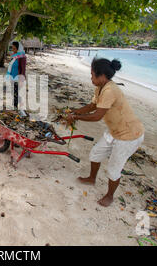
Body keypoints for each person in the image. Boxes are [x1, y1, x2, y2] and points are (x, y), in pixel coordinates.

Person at [65, 58, 144, 207]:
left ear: (101, 76)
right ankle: (91, 178)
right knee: (95, 153)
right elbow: (92, 106)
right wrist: (74, 111)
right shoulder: (100, 87)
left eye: (92, 74)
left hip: (128, 135)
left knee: (114, 169)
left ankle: (109, 196)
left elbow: (97, 116)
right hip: (114, 131)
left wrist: (75, 117)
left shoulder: (110, 90)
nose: (91, 77)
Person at [5, 41, 26, 109]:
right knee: (13, 92)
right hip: (12, 77)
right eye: (12, 48)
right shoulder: (15, 56)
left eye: (14, 49)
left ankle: (16, 107)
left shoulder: (22, 57)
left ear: (18, 49)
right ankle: (14, 105)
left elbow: (23, 69)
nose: (13, 50)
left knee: (16, 93)